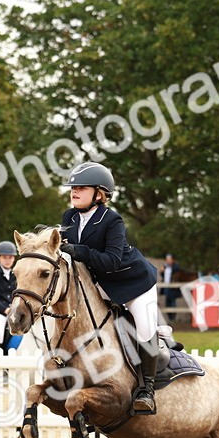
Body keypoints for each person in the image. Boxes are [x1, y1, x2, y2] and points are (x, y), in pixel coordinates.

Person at [59, 162, 165, 414]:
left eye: (81, 188)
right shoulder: (69, 217)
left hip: (134, 283)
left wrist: (80, 251)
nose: (74, 192)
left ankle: (146, 390)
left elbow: (112, 260)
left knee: (144, 327)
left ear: (99, 193)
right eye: (73, 188)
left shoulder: (112, 220)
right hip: (102, 285)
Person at [160, 253, 181, 324]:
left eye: (169, 260)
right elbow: (163, 275)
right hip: (166, 287)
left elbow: (177, 273)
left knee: (173, 302)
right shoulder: (165, 267)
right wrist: (162, 271)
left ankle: (173, 319)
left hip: (173, 288)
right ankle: (169, 318)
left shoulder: (175, 267)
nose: (168, 261)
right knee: (167, 303)